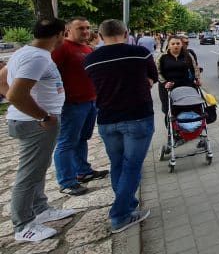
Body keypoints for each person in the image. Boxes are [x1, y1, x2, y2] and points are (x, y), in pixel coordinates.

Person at [1, 18, 77, 243]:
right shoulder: (36, 58)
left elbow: (2, 81)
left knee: (39, 167)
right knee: (29, 173)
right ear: (60, 34)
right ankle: (23, 225)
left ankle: (40, 208)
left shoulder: (25, 52)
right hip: (36, 124)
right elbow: (15, 94)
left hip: (30, 120)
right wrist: (41, 115)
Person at [84, 19, 157, 233]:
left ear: (99, 35)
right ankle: (120, 214)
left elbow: (93, 85)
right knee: (132, 166)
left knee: (117, 164)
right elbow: (153, 77)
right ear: (126, 33)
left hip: (107, 119)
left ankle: (128, 204)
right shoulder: (140, 53)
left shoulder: (90, 59)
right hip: (138, 117)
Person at [51, 17, 108, 197]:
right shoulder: (61, 49)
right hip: (71, 104)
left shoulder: (86, 48)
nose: (85, 31)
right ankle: (67, 181)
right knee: (66, 142)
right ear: (68, 30)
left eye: (88, 28)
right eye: (80, 28)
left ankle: (83, 171)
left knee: (82, 138)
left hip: (90, 101)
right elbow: (50, 75)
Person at [157, 36, 201, 123]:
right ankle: (172, 131)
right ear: (168, 45)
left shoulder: (188, 55)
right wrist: (165, 83)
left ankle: (188, 128)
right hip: (168, 87)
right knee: (170, 110)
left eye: (178, 43)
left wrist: (197, 79)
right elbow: (157, 72)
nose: (175, 46)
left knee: (188, 108)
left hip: (186, 87)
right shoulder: (162, 57)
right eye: (173, 44)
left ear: (181, 45)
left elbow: (195, 68)